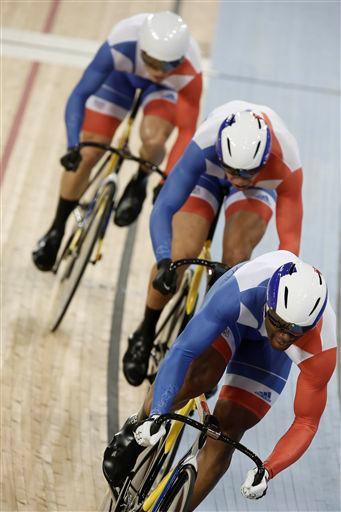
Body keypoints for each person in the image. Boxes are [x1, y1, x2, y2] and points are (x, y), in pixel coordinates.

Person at [103, 250, 337, 509]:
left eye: (295, 331)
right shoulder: (241, 290)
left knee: (229, 431)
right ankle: (138, 425)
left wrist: (269, 470)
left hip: (267, 354)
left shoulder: (322, 346)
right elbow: (183, 350)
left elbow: (306, 421)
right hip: (237, 320)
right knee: (198, 377)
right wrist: (157, 413)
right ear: (268, 305)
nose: (283, 337)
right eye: (279, 324)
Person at [123, 100, 303, 386]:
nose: (236, 180)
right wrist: (164, 260)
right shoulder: (205, 141)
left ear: (265, 158)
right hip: (207, 174)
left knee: (236, 256)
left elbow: (290, 247)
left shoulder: (287, 160)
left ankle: (208, 348)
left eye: (244, 173)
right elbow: (164, 207)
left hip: (260, 187)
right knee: (182, 251)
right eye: (232, 171)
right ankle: (145, 331)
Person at [32, 11, 203, 271]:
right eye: (152, 62)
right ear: (141, 48)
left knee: (154, 138)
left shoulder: (190, 70)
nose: (157, 71)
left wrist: (166, 178)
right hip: (120, 78)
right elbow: (79, 94)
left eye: (167, 65)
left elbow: (187, 131)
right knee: (88, 153)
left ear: (179, 59)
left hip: (164, 92)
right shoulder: (121, 42)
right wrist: (72, 145)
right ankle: (56, 228)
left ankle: (140, 180)